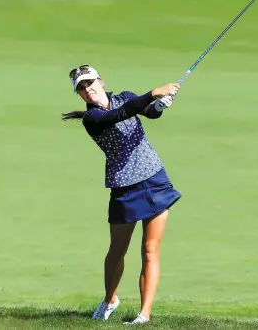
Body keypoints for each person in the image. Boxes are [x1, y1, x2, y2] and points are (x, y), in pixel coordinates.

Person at [61, 64, 183, 325]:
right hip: (124, 187)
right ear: (79, 94)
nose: (87, 89)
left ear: (100, 80)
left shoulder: (126, 96)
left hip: (154, 179)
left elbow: (148, 113)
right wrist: (154, 93)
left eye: (90, 82)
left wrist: (160, 105)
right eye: (81, 88)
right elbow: (118, 116)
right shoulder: (91, 119)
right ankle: (110, 299)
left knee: (150, 249)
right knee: (117, 250)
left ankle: (144, 315)